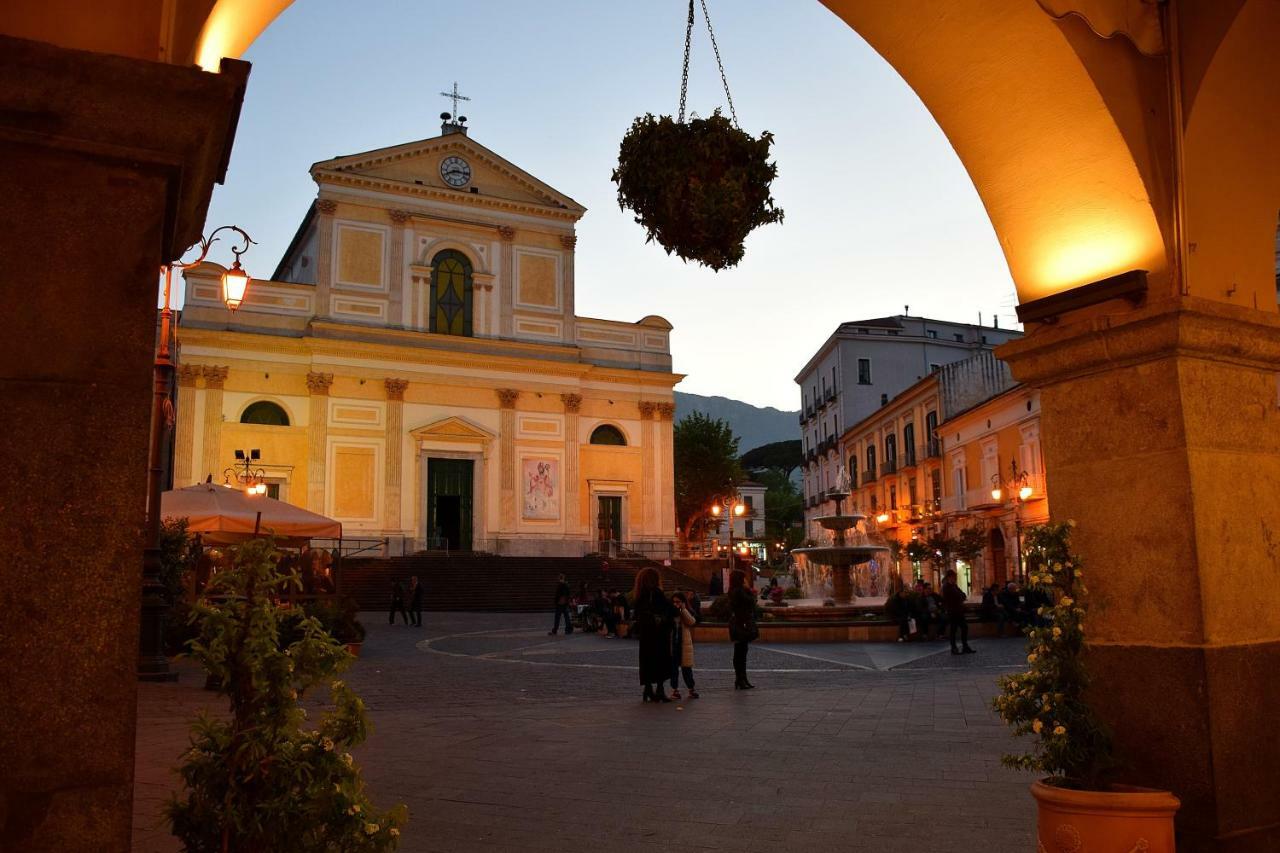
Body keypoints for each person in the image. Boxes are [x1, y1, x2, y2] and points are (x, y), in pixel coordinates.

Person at [632, 567, 674, 702]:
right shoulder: (657, 593)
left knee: (647, 660)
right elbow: (668, 610)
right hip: (659, 632)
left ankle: (648, 688)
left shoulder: (639, 594)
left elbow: (637, 613)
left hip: (646, 633)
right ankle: (660, 689)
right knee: (661, 659)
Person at [727, 569, 757, 690]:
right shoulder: (739, 591)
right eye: (744, 578)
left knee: (741, 652)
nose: (746, 580)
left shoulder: (733, 590)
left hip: (738, 623)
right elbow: (751, 602)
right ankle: (740, 679)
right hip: (740, 623)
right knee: (741, 653)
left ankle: (741, 679)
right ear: (740, 579)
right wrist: (749, 589)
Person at [669, 591, 699, 700]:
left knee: (687, 669)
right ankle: (674, 690)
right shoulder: (670, 614)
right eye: (674, 602)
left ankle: (691, 689)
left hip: (684, 645)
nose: (675, 604)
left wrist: (683, 610)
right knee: (673, 670)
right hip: (673, 646)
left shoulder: (685, 612)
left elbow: (691, 622)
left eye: (678, 602)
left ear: (683, 602)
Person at [942, 569, 976, 655]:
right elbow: (955, 596)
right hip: (952, 611)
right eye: (954, 577)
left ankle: (965, 646)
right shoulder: (946, 587)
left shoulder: (954, 586)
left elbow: (962, 594)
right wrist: (960, 596)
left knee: (964, 627)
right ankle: (954, 648)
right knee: (953, 630)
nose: (955, 578)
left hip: (959, 610)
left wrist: (960, 596)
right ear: (949, 577)